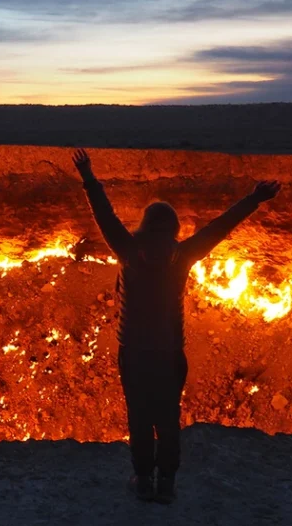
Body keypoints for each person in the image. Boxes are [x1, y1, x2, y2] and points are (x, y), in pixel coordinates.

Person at [71, 148, 281, 504]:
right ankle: (166, 483)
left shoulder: (128, 249)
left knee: (139, 415)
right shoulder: (183, 254)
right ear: (173, 229)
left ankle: (142, 479)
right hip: (169, 353)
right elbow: (220, 226)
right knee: (167, 418)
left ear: (144, 224)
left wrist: (88, 177)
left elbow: (104, 216)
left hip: (134, 352)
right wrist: (254, 199)